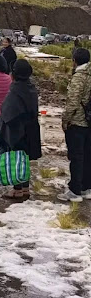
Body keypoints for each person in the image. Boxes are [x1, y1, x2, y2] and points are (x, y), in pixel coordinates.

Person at [0, 59, 41, 199]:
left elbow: (7, 111)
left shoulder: (15, 90)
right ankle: (26, 188)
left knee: (16, 158)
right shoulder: (31, 88)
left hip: (17, 129)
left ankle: (17, 190)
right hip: (31, 128)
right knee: (25, 158)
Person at [58, 48, 91, 202]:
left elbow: (73, 101)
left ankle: (75, 190)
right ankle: (86, 187)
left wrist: (66, 120)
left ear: (75, 60)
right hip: (89, 121)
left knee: (76, 157)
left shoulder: (79, 77)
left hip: (78, 121)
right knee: (87, 155)